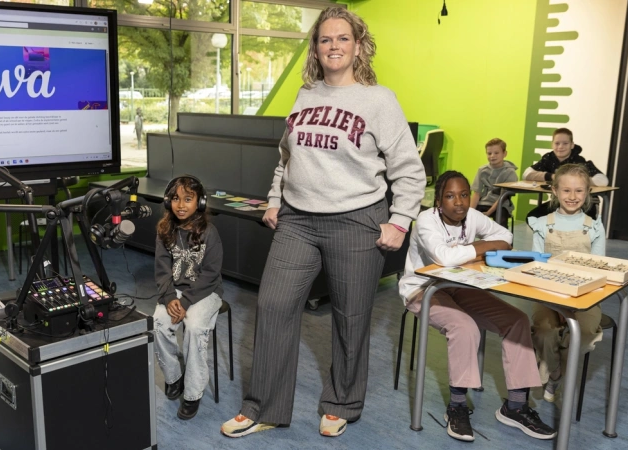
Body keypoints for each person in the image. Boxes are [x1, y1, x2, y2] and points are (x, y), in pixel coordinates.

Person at [221, 7, 425, 439]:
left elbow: (409, 169)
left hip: (356, 221)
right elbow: (286, 157)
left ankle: (342, 403)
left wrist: (400, 220)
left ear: (358, 46)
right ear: (315, 47)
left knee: (350, 319)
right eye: (325, 39)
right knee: (273, 306)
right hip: (297, 221)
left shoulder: (378, 100)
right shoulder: (305, 94)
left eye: (342, 38)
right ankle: (264, 407)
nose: (334, 46)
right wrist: (276, 200)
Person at [398, 171, 557, 442]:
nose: (459, 202)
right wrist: (481, 247)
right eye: (450, 196)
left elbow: (505, 235)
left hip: (460, 285)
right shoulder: (426, 220)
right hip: (422, 290)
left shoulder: (470, 216)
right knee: (464, 327)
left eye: (463, 195)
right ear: (438, 200)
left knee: (517, 320)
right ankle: (457, 406)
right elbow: (444, 257)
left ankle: (516, 406)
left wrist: (474, 247)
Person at [528, 164, 606, 402]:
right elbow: (537, 267)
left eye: (579, 191)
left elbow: (598, 270)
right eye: (566, 191)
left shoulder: (594, 227)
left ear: (587, 192)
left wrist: (575, 303)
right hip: (549, 294)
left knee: (581, 334)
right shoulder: (542, 225)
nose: (573, 197)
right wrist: (556, 302)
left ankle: (557, 372)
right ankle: (555, 373)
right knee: (544, 331)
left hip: (584, 296)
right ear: (555, 191)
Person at [153, 175, 224, 421]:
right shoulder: (164, 230)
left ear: (200, 203)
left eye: (188, 199)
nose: (181, 205)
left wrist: (185, 302)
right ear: (168, 202)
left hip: (206, 292)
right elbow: (162, 270)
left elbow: (211, 275)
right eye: (175, 199)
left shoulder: (209, 233)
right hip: (176, 292)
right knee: (159, 323)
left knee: (193, 327)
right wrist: (170, 297)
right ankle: (174, 378)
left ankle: (193, 393)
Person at [522, 128, 609, 186]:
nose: (560, 147)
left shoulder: (579, 162)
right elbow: (526, 174)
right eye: (557, 143)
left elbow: (603, 180)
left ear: (572, 145)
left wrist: (572, 180)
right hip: (559, 203)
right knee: (534, 214)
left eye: (565, 143)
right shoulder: (548, 158)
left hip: (583, 204)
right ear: (552, 145)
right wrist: (551, 176)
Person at [470, 138, 518, 229]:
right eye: (489, 153)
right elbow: (477, 193)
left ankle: (502, 241)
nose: (492, 156)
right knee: (466, 217)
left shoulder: (510, 172)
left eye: (496, 153)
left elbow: (502, 197)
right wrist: (470, 212)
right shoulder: (482, 170)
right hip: (484, 202)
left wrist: (488, 213)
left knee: (500, 221)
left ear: (504, 154)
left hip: (501, 204)